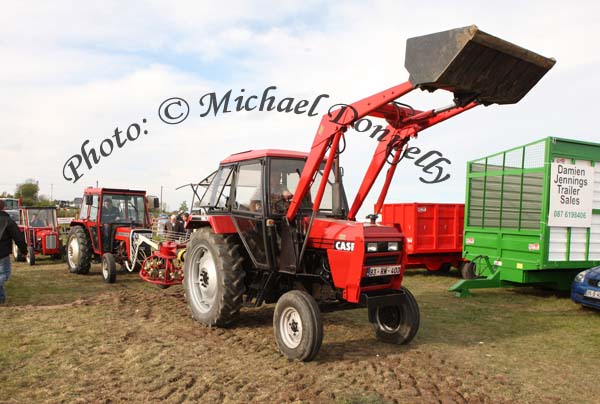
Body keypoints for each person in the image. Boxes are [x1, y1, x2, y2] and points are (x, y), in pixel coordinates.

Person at [0, 200, 27, 304]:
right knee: (5, 274)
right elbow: (18, 237)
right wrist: (24, 251)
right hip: (2, 254)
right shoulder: (8, 220)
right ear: (4, 208)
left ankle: (1, 300)